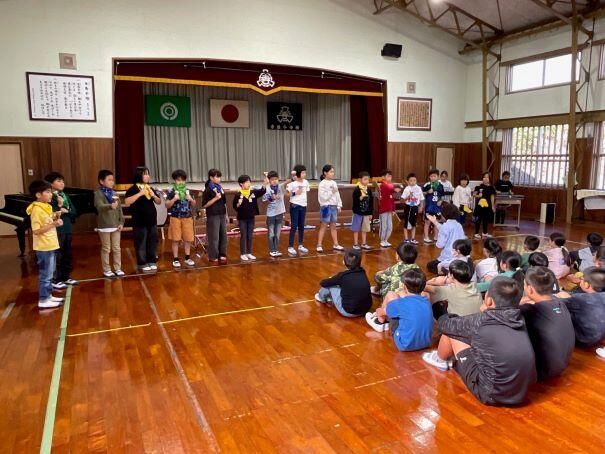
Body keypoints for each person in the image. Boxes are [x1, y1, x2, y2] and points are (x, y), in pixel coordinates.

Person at [422, 276, 537, 406]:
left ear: (488, 299)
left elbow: (446, 326)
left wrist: (444, 312)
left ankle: (440, 360)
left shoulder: (480, 322)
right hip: (523, 392)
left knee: (453, 332)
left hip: (491, 395)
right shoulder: (521, 317)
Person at [521, 267, 575, 381]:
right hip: (563, 363)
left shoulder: (528, 310)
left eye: (524, 284)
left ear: (530, 289)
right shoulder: (560, 303)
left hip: (542, 371)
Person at [365, 269, 433, 352]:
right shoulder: (426, 299)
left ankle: (379, 321)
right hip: (426, 343)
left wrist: (378, 311)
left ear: (404, 287)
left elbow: (382, 312)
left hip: (403, 344)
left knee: (390, 295)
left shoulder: (400, 303)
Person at [26, 180, 65, 309]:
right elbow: (36, 231)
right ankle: (43, 299)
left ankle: (48, 296)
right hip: (44, 247)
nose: (51, 194)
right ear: (38, 194)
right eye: (48, 192)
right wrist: (54, 223)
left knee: (50, 273)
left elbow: (46, 220)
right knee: (46, 274)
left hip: (50, 244)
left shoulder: (45, 206)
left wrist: (54, 215)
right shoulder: (37, 209)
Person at [124, 166, 161, 272]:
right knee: (141, 242)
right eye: (145, 174)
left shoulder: (149, 188)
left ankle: (152, 261)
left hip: (152, 220)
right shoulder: (133, 189)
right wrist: (140, 194)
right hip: (139, 221)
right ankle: (142, 263)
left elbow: (158, 202)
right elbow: (127, 202)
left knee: (152, 241)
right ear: (139, 175)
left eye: (148, 174)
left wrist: (154, 196)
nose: (147, 176)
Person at [315, 249, 372, 317]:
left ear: (344, 262)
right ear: (360, 262)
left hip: (349, 312)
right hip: (366, 310)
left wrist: (331, 278)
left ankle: (321, 298)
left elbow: (323, 283)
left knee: (331, 284)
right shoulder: (362, 272)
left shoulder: (342, 276)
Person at [45, 172, 78, 289]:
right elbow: (50, 214)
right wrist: (59, 206)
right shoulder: (49, 197)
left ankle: (66, 276)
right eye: (58, 181)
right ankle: (55, 279)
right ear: (50, 184)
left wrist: (67, 211)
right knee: (57, 255)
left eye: (63, 181)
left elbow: (74, 212)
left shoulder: (65, 196)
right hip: (56, 230)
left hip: (67, 228)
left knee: (67, 254)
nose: (62, 183)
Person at [562, 267, 605, 347]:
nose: (580, 280)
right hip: (600, 336)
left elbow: (558, 303)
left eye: (581, 279)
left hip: (583, 339)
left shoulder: (581, 299)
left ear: (586, 285)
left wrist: (561, 295)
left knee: (558, 310)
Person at [94, 170, 125, 278]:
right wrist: (110, 206)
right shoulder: (98, 193)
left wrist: (121, 222)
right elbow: (99, 206)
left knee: (117, 248)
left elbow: (119, 209)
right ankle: (107, 269)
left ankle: (118, 268)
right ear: (101, 181)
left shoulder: (115, 193)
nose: (112, 182)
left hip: (116, 225)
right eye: (109, 180)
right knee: (106, 248)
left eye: (112, 180)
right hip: (104, 225)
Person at [165, 169, 197, 268]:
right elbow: (167, 205)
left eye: (183, 180)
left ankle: (187, 258)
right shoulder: (171, 191)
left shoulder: (188, 191)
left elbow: (194, 203)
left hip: (187, 217)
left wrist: (190, 199)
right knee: (175, 239)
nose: (181, 182)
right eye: (178, 180)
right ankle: (175, 259)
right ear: (174, 180)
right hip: (175, 218)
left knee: (188, 239)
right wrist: (174, 199)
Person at [233, 174, 267, 262]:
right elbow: (235, 207)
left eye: (249, 182)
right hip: (242, 218)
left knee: (250, 235)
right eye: (247, 182)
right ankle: (243, 254)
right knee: (243, 235)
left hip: (251, 217)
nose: (249, 184)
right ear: (241, 184)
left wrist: (264, 183)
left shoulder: (253, 192)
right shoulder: (238, 194)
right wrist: (238, 204)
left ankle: (249, 252)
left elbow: (262, 191)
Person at [425, 202, 466, 275]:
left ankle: (447, 271)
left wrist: (439, 234)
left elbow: (439, 245)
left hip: (447, 257)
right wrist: (435, 222)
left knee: (430, 265)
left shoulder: (445, 226)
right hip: (459, 257)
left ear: (444, 215)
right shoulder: (458, 225)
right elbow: (445, 229)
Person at [201, 168, 228, 263]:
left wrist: (227, 215)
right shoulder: (207, 190)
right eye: (217, 177)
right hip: (213, 215)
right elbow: (204, 205)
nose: (219, 179)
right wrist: (215, 198)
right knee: (214, 236)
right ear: (211, 178)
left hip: (222, 213)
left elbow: (224, 202)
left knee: (223, 235)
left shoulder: (220, 188)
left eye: (219, 177)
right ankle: (213, 256)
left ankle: (222, 254)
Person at [317, 164, 344, 253]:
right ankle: (319, 245)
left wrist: (339, 205)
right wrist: (331, 191)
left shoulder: (334, 183)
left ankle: (336, 244)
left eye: (333, 172)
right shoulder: (322, 183)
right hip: (326, 206)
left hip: (334, 206)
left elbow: (337, 195)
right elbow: (323, 197)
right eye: (331, 172)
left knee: (333, 226)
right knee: (323, 225)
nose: (333, 173)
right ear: (325, 173)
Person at [262, 171, 289, 257]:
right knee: (271, 234)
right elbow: (264, 200)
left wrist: (292, 178)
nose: (274, 181)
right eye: (272, 179)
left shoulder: (280, 187)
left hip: (280, 213)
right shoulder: (267, 189)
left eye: (276, 179)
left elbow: (287, 182)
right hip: (271, 214)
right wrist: (271, 198)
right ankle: (272, 250)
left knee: (277, 234)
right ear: (269, 180)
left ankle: (276, 249)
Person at [286, 164, 310, 256]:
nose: (304, 174)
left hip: (303, 206)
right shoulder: (292, 183)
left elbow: (306, 192)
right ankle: (290, 246)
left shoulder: (306, 182)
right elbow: (287, 194)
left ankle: (300, 245)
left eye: (305, 172)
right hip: (295, 206)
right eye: (303, 172)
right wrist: (295, 193)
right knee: (294, 226)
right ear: (298, 173)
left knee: (301, 226)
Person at [378, 169, 401, 248]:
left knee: (390, 226)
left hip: (390, 210)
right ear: (383, 177)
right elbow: (388, 189)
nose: (390, 177)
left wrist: (393, 210)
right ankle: (382, 240)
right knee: (383, 226)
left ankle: (386, 240)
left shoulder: (390, 185)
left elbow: (392, 199)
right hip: (383, 210)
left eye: (390, 176)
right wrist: (394, 189)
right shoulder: (382, 185)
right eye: (388, 176)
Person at [351, 171, 374, 250]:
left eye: (368, 179)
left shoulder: (369, 190)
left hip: (367, 213)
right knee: (356, 228)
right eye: (365, 179)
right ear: (360, 180)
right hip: (358, 212)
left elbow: (371, 202)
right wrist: (360, 198)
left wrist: (371, 213)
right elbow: (354, 201)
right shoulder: (357, 190)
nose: (367, 181)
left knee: (365, 228)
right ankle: (355, 244)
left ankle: (364, 243)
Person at [422, 169, 444, 244]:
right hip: (429, 207)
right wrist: (427, 192)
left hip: (437, 207)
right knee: (427, 222)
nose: (433, 178)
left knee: (436, 222)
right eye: (431, 176)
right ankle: (426, 237)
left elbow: (442, 196)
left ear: (438, 177)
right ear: (429, 177)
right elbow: (421, 193)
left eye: (434, 176)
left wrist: (441, 201)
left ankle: (436, 237)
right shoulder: (427, 185)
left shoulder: (440, 186)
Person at [401, 173, 423, 245]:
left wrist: (421, 206)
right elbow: (402, 200)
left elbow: (421, 198)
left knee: (414, 223)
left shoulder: (418, 188)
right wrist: (408, 197)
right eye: (411, 180)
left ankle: (413, 238)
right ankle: (406, 239)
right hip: (408, 207)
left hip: (415, 207)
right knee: (406, 223)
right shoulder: (406, 189)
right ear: (408, 181)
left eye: (414, 180)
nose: (413, 182)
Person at [473, 172, 496, 239]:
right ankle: (476, 233)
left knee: (486, 219)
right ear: (482, 178)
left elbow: (492, 197)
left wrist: (492, 206)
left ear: (489, 179)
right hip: (479, 206)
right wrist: (478, 195)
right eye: (484, 177)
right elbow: (474, 194)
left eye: (487, 177)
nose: (485, 178)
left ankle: (485, 233)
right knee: (478, 219)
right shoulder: (478, 187)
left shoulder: (491, 187)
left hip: (487, 206)